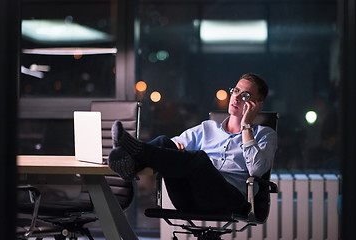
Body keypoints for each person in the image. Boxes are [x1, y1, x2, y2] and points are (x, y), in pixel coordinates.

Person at [108, 73, 277, 216]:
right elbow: (168, 147)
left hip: (230, 201)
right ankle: (130, 162)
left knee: (200, 159)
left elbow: (257, 170)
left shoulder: (264, 134)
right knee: (164, 142)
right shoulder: (206, 128)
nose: (237, 97)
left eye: (245, 96)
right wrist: (176, 153)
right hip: (189, 198)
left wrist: (246, 125)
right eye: (236, 90)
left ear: (257, 106)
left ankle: (132, 150)